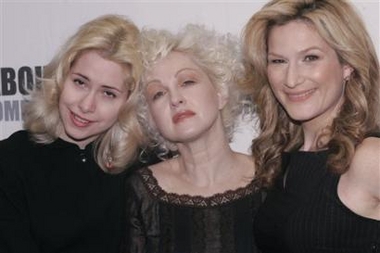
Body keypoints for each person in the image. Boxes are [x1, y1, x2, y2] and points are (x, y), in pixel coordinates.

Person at [0, 14, 151, 253]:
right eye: (80, 82)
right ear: (61, 77)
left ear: (128, 103)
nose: (86, 105)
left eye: (108, 93)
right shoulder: (11, 160)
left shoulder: (145, 164)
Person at [240, 0, 380, 252]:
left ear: (347, 64)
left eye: (310, 58)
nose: (292, 79)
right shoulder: (283, 161)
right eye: (278, 61)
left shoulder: (369, 157)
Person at [120, 24, 262, 253]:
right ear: (152, 119)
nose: (175, 99)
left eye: (187, 82)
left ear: (221, 93)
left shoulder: (271, 178)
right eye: (158, 94)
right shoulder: (141, 191)